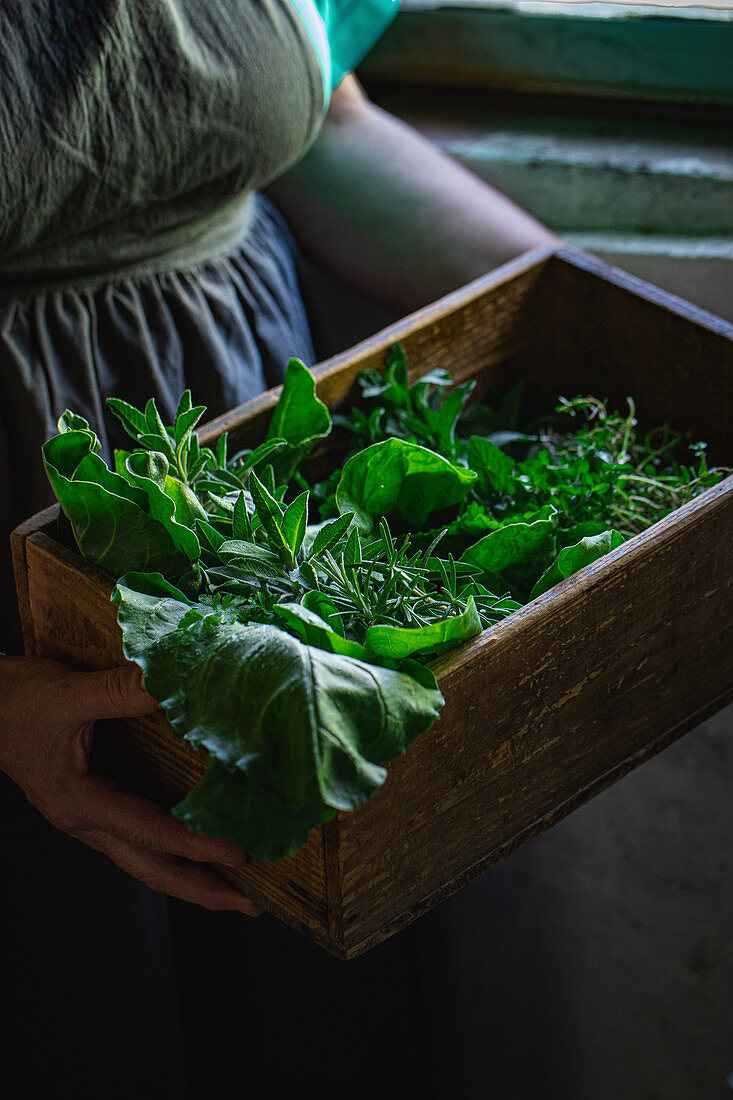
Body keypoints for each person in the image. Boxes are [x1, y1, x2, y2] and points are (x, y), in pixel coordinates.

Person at [0, 3, 557, 1096]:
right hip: (27, 646)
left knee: (287, 1001)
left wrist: (593, 313)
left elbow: (318, 126)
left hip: (273, 536)